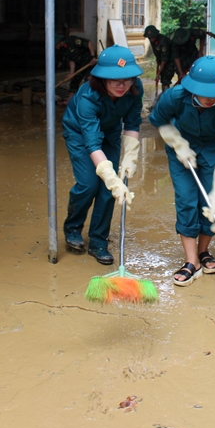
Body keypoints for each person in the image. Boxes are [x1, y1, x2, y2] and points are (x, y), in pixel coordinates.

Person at [149, 56, 215, 287]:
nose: (212, 98)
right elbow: (157, 119)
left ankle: (204, 251)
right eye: (206, 92)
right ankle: (192, 262)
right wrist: (176, 142)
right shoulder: (175, 96)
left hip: (212, 151)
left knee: (210, 204)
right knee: (186, 199)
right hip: (182, 149)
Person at [61, 45, 142, 265]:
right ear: (102, 78)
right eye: (114, 79)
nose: (122, 84)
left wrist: (130, 157)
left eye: (127, 78)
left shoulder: (135, 89)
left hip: (110, 132)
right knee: (89, 183)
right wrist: (109, 175)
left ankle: (98, 241)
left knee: (108, 191)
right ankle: (73, 228)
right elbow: (91, 140)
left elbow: (133, 123)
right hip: (80, 133)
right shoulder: (88, 95)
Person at [56, 25, 98, 105]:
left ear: (59, 42)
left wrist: (92, 57)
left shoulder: (71, 40)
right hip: (79, 64)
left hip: (89, 62)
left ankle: (90, 102)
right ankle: (69, 100)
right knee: (74, 81)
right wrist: (71, 73)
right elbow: (71, 61)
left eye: (55, 45)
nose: (55, 47)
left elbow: (88, 43)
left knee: (89, 80)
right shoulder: (63, 50)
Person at [144, 25, 175, 92]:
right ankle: (164, 95)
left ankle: (166, 97)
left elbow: (164, 59)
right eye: (149, 38)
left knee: (166, 80)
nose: (151, 39)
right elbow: (158, 53)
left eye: (152, 37)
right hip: (162, 60)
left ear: (156, 35)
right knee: (163, 79)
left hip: (171, 60)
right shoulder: (152, 41)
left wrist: (158, 74)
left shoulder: (163, 41)